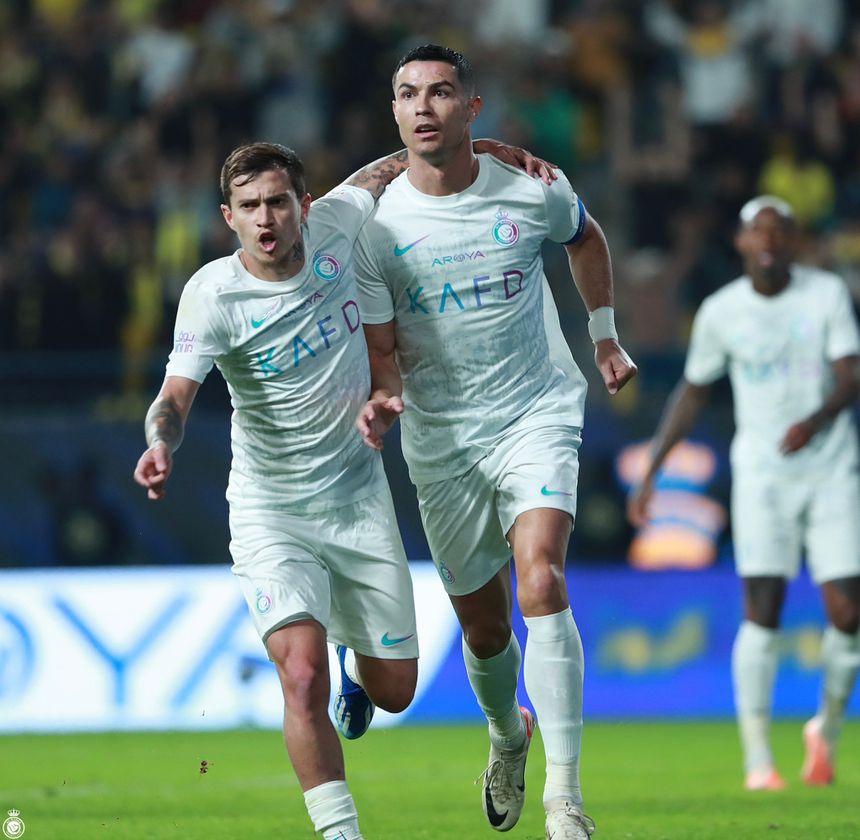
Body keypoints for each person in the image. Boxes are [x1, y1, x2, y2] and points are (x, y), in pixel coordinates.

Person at [133, 139, 553, 840]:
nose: (265, 218)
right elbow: (173, 398)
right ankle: (341, 833)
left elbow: (395, 162)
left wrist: (487, 147)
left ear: (304, 205)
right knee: (301, 677)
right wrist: (159, 442)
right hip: (272, 510)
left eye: (277, 202)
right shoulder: (212, 295)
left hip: (357, 500)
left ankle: (357, 668)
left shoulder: (339, 221)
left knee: (396, 690)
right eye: (248, 207)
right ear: (228, 217)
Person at [353, 44, 637, 840]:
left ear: (472, 108)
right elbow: (381, 345)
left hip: (534, 413)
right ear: (394, 112)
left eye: (441, 92)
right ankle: (509, 736)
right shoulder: (372, 224)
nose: (424, 106)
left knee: (542, 578)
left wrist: (604, 335)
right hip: (443, 440)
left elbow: (585, 236)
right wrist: (386, 396)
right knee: (484, 630)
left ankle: (565, 800)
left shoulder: (530, 188)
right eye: (408, 94)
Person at [628, 195, 860, 791]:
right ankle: (759, 760)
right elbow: (693, 390)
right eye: (759, 231)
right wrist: (653, 468)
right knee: (763, 610)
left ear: (794, 242)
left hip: (832, 470)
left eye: (780, 231)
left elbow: (851, 374)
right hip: (762, 476)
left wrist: (814, 422)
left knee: (849, 612)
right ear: (741, 243)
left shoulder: (825, 295)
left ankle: (827, 731)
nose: (769, 241)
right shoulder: (722, 311)